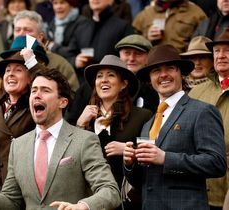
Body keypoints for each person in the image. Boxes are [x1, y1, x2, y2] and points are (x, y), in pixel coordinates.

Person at [0, 68, 121, 210]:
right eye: (34, 90)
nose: (37, 95)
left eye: (45, 90)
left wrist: (83, 206)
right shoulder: (18, 145)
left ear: (63, 102)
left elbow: (110, 191)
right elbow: (11, 201)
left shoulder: (84, 140)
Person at [123, 44, 227, 209]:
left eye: (170, 68)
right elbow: (143, 180)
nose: (163, 75)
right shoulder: (149, 123)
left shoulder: (202, 111)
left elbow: (216, 163)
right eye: (156, 71)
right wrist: (130, 164)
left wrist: (165, 158)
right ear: (150, 79)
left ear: (181, 73)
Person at [77, 55, 152, 209]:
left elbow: (151, 156)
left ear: (123, 84)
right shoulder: (86, 118)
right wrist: (79, 125)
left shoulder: (143, 116)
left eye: (110, 75)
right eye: (99, 76)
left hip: (126, 200)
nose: (103, 80)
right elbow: (72, 157)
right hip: (89, 200)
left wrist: (128, 150)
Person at [188, 28, 229, 210]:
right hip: (199, 189)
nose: (221, 56)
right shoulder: (197, 91)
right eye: (217, 51)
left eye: (227, 50)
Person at [0, 51, 36, 192]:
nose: (10, 74)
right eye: (7, 70)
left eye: (18, 70)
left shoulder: (36, 107)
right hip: (4, 186)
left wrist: (32, 64)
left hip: (30, 185)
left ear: (30, 78)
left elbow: (59, 89)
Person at [5, 10, 79, 92]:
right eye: (17, 30)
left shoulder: (59, 63)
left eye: (28, 30)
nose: (21, 34)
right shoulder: (5, 62)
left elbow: (72, 94)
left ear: (40, 37)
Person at [64, 0, 133, 82]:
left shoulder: (122, 26)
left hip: (112, 83)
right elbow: (69, 54)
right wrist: (75, 61)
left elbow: (129, 57)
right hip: (83, 84)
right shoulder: (81, 27)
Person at [132, 0, 206, 53]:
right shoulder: (145, 14)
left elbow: (204, 43)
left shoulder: (197, 14)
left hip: (183, 66)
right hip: (153, 67)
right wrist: (146, 39)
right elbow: (132, 46)